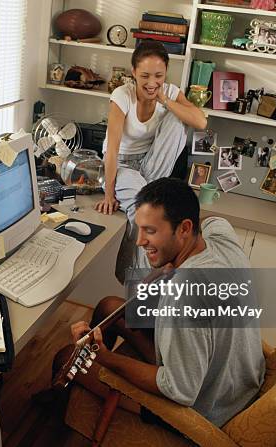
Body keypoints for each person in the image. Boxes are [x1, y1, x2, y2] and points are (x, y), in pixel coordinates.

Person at [53, 178, 265, 428]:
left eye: (151, 231)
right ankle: (90, 383)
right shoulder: (221, 238)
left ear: (185, 228)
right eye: (140, 228)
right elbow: (211, 221)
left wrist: (106, 359)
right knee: (109, 307)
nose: (140, 241)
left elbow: (181, 390)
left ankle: (61, 416)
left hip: (205, 406)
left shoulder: (184, 294)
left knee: (65, 358)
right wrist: (171, 263)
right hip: (234, 377)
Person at [95, 40, 206, 274]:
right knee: (146, 212)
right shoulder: (122, 95)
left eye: (159, 75)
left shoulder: (169, 92)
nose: (152, 83)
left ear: (166, 73)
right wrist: (108, 194)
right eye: (145, 76)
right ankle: (138, 278)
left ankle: (151, 275)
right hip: (121, 165)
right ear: (133, 72)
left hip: (151, 165)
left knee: (179, 118)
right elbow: (112, 150)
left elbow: (200, 121)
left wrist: (165, 100)